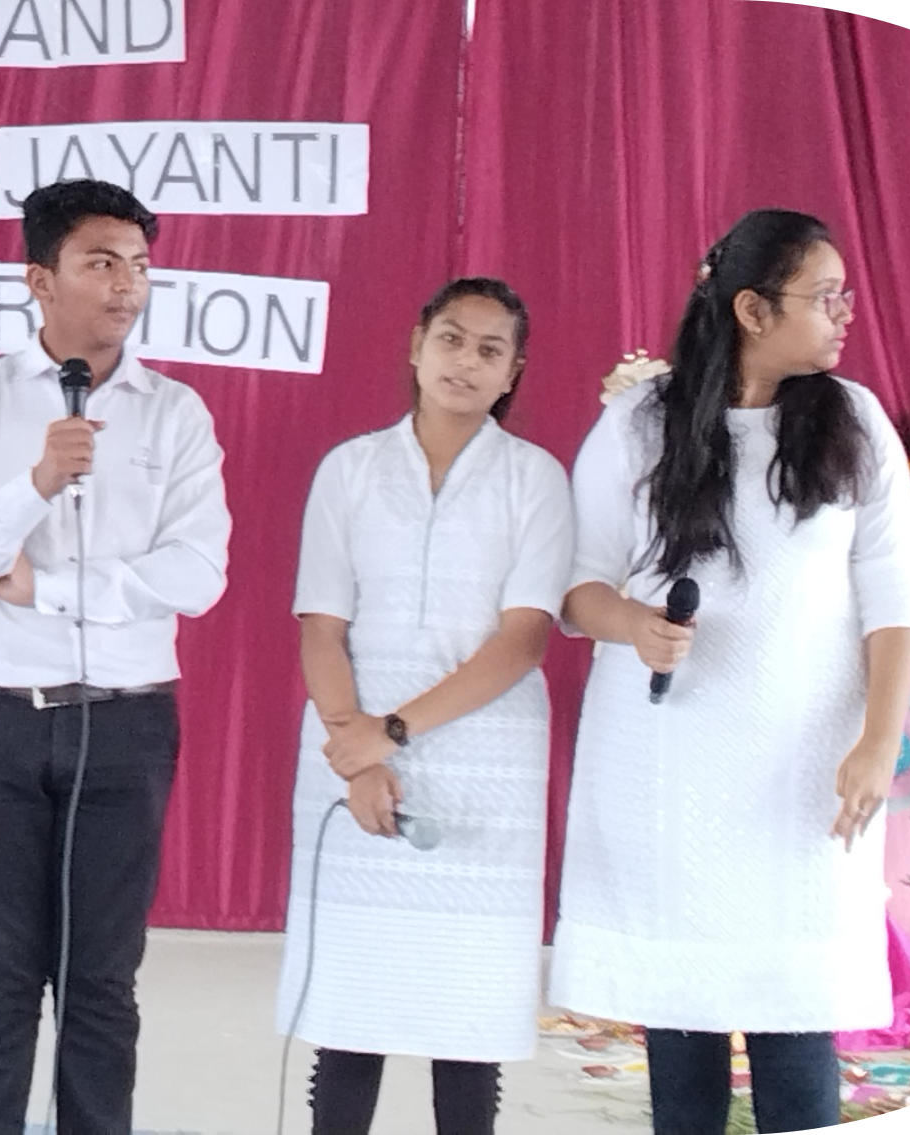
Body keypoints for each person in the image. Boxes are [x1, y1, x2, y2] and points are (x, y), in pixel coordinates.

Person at [548, 209, 910, 1134]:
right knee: (680, 1027)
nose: (845, 313)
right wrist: (634, 624)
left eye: (844, 295)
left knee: (795, 1028)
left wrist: (879, 739)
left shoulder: (855, 421)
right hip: (667, 762)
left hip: (805, 770)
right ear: (753, 309)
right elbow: (576, 585)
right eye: (824, 296)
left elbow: (895, 597)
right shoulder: (640, 422)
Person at [0, 178, 232, 1134]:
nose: (126, 284)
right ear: (39, 280)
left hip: (125, 722)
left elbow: (199, 573)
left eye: (138, 265)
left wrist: (49, 589)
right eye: (100, 262)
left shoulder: (176, 413)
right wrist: (36, 483)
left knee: (101, 982)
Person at [274, 278, 572, 1135]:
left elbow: (523, 639)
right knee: (350, 1013)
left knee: (466, 1018)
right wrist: (357, 749)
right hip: (351, 755)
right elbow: (321, 626)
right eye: (451, 339)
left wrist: (392, 734)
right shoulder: (351, 469)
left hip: (486, 767)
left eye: (490, 350)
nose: (465, 362)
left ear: (513, 372)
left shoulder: (534, 478)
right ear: (416, 346)